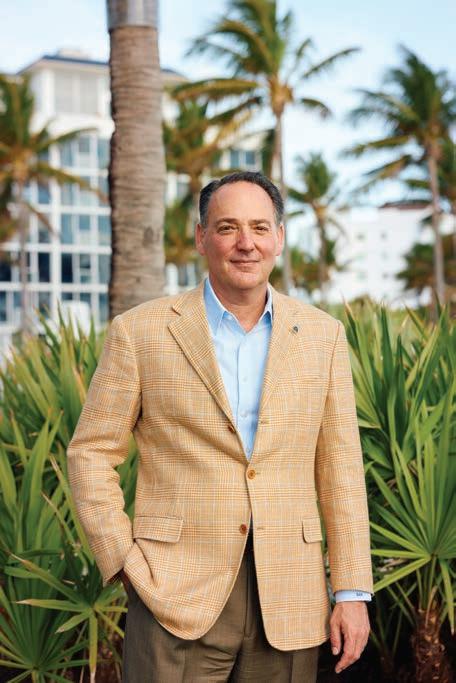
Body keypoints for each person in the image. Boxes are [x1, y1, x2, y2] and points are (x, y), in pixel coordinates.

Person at [67, 171, 373, 682]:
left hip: (290, 594)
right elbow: (91, 452)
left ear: (279, 237)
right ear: (201, 237)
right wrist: (121, 557)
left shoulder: (324, 336)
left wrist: (352, 590)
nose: (245, 243)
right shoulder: (140, 331)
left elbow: (340, 469)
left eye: (259, 227)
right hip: (172, 591)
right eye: (228, 227)